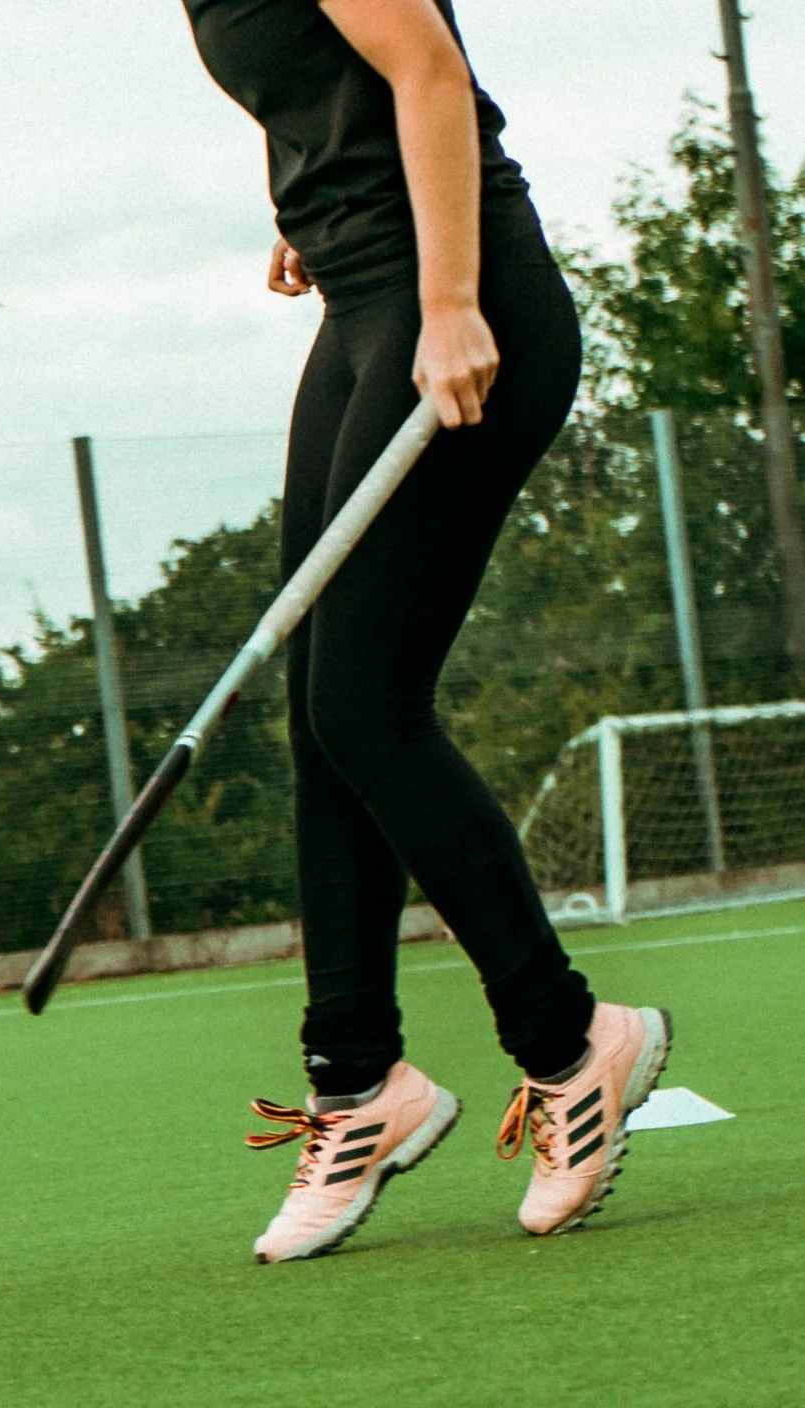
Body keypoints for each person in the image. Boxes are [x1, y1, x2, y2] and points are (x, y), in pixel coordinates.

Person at [182, 0, 670, 1262]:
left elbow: (428, 68)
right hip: (360, 298)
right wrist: (297, 201)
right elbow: (320, 87)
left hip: (458, 302)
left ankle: (573, 1047)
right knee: (321, 711)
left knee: (362, 703)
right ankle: (359, 1084)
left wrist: (453, 302)